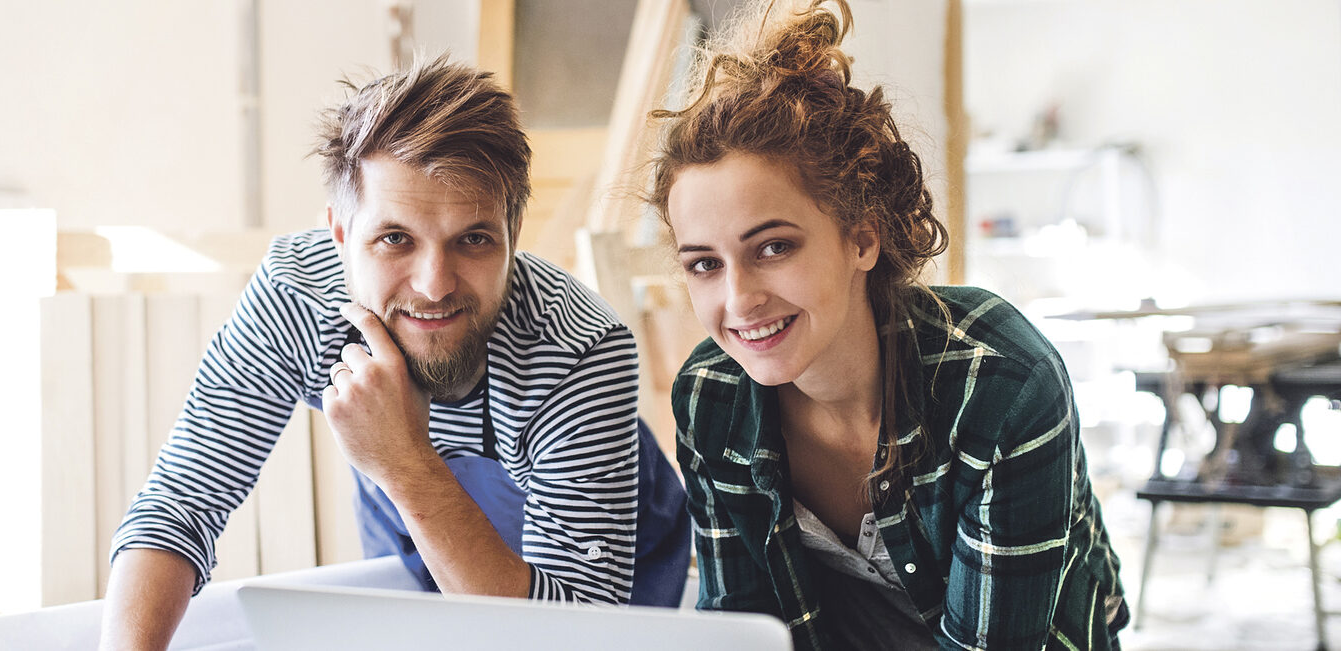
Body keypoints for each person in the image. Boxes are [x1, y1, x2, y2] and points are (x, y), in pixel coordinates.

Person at [99, 55, 689, 650]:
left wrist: (404, 463)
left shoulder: (579, 350)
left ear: (514, 237)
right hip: (413, 534)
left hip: (609, 567)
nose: (435, 285)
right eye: (394, 239)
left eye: (473, 240)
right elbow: (179, 504)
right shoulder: (295, 299)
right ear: (340, 236)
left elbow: (570, 634)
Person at [647, 1, 1128, 649]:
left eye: (773, 247)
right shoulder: (711, 398)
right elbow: (744, 629)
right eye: (704, 263)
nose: (739, 300)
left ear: (862, 236)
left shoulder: (1001, 383)